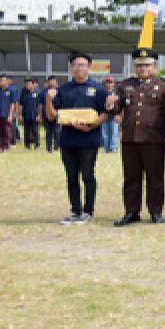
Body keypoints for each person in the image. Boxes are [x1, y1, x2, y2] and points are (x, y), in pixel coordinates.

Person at [108, 48, 165, 226]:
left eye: (147, 65)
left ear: (154, 66)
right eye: (139, 65)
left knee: (155, 177)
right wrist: (110, 105)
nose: (143, 68)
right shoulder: (125, 85)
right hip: (130, 138)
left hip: (154, 139)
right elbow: (117, 110)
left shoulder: (164, 87)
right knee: (131, 177)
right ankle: (131, 211)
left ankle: (156, 211)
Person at [47, 53, 109, 224]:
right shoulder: (63, 89)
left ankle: (88, 212)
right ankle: (75, 210)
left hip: (89, 140)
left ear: (89, 67)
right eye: (76, 65)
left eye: (82, 65)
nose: (79, 68)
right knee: (71, 176)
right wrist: (48, 101)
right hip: (68, 140)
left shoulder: (99, 90)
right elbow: (52, 116)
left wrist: (92, 125)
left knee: (88, 175)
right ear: (71, 68)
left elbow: (105, 113)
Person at [18, 77, 42, 151]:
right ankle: (27, 146)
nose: (27, 85)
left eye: (29, 83)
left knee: (35, 130)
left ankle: (37, 145)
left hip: (34, 115)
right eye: (26, 84)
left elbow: (40, 105)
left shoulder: (38, 92)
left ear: (33, 84)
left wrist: (39, 115)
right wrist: (20, 114)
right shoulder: (23, 92)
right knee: (26, 131)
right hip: (26, 115)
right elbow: (20, 104)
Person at [0, 74, 14, 152]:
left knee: (6, 131)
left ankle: (6, 147)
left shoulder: (10, 91)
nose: (2, 82)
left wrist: (10, 115)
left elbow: (12, 104)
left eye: (3, 80)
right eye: (0, 80)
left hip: (6, 114)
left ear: (7, 81)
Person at [101, 76, 120, 154]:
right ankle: (106, 148)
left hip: (114, 115)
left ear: (114, 84)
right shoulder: (103, 93)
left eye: (111, 82)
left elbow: (119, 104)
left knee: (114, 132)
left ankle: (113, 148)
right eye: (108, 82)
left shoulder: (116, 93)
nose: (109, 84)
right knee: (105, 133)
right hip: (105, 115)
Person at [42, 76, 61, 153]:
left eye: (54, 81)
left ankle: (56, 147)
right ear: (48, 82)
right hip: (46, 114)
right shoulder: (44, 92)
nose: (52, 83)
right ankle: (48, 148)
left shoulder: (60, 92)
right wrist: (40, 115)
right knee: (48, 131)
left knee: (57, 131)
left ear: (56, 82)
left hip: (57, 113)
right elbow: (40, 104)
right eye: (50, 81)